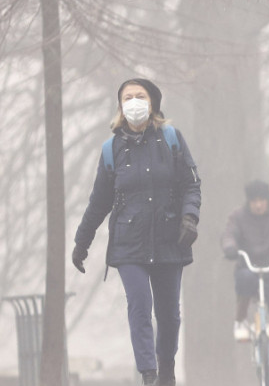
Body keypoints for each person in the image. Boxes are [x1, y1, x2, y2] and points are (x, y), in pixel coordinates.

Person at [71, 78, 202, 386]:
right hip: (128, 244)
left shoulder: (171, 139)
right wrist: (82, 242)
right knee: (140, 305)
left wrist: (190, 217)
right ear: (120, 106)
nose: (133, 101)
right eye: (127, 97)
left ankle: (166, 369)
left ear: (152, 101)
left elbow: (191, 184)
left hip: (170, 240)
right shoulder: (111, 150)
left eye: (139, 96)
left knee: (169, 315)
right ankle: (149, 374)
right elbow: (98, 202)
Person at [221, 180, 269, 385]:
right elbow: (229, 234)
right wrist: (230, 247)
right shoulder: (238, 216)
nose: (258, 205)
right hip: (248, 269)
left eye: (261, 201)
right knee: (246, 278)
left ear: (268, 200)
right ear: (248, 202)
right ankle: (240, 320)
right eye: (254, 201)